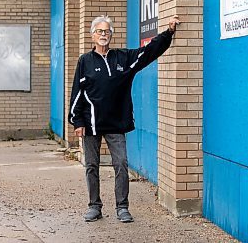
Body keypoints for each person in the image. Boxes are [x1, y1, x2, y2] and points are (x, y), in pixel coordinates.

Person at [68, 14, 180, 223]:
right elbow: (77, 93)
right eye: (99, 31)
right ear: (93, 35)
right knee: (91, 165)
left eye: (107, 31)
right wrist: (77, 121)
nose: (103, 35)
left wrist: (168, 33)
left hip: (116, 123)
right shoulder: (84, 61)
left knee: (121, 164)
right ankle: (94, 206)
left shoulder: (123, 58)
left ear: (111, 35)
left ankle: (122, 207)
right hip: (91, 122)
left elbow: (148, 52)